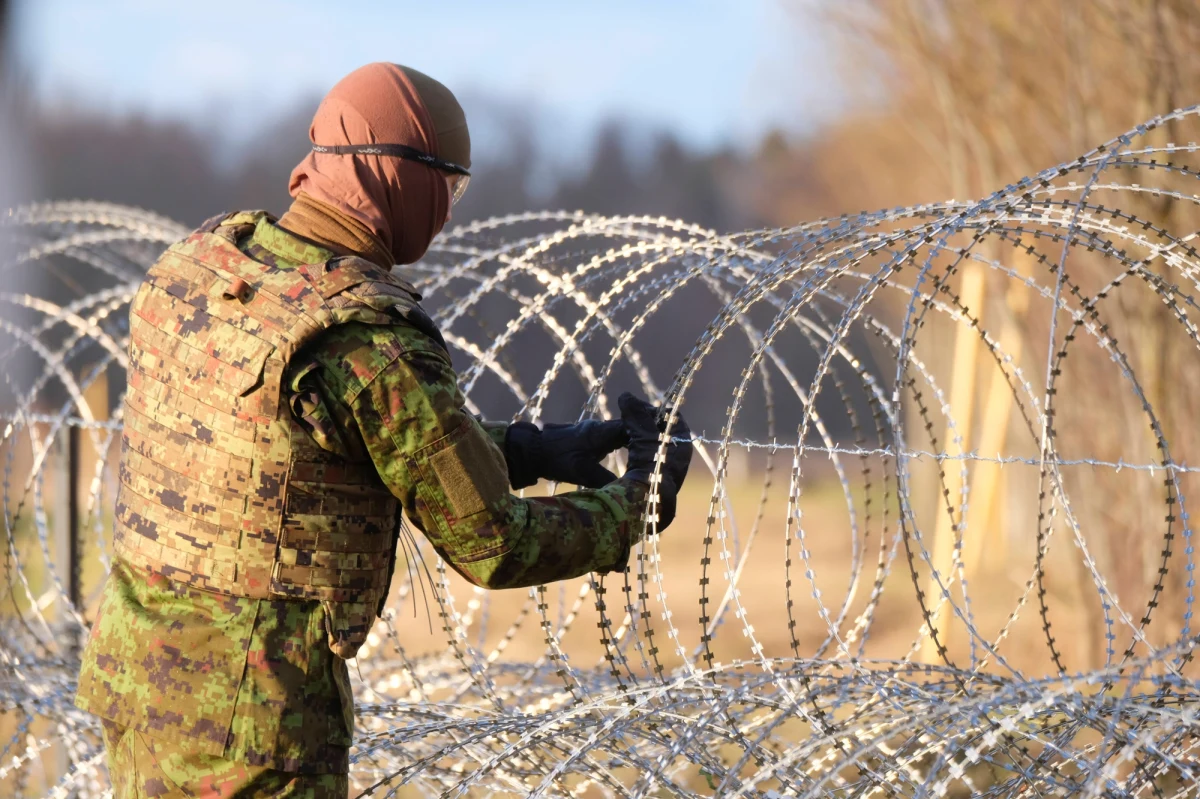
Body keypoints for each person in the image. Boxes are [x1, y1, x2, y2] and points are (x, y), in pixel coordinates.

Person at [72, 62, 693, 798]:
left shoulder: (199, 267)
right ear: (402, 179)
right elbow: (491, 539)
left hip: (137, 685)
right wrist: (634, 509)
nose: (450, 213)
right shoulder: (365, 335)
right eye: (449, 188)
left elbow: (305, 445)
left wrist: (526, 449)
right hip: (252, 731)